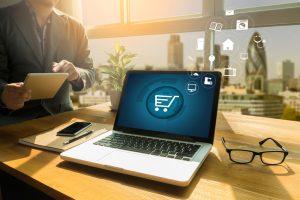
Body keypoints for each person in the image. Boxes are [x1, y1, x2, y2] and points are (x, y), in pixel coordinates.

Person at [0, 0, 95, 126]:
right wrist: (2, 93)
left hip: (63, 120)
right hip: (13, 122)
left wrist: (76, 74)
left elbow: (90, 73)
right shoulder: (3, 19)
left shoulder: (76, 27)